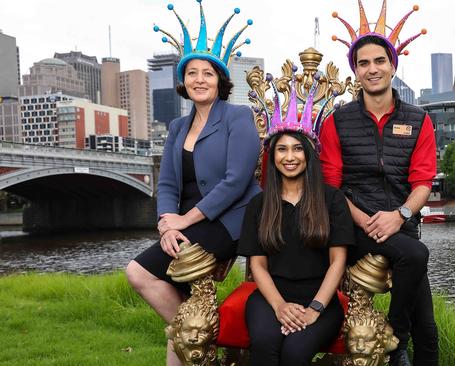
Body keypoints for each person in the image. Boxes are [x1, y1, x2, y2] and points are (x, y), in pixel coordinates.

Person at [125, 4, 259, 365]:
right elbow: (167, 182)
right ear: (183, 81)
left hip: (229, 220)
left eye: (208, 73)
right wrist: (166, 222)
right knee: (155, 280)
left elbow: (236, 181)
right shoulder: (176, 128)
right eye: (192, 73)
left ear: (220, 80)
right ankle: (195, 336)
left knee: (155, 269)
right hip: (186, 223)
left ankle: (201, 337)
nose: (200, 79)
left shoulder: (238, 117)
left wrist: (184, 222)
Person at [323, 4, 437, 365]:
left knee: (429, 331)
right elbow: (330, 186)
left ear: (392, 65)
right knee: (416, 255)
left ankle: (400, 336)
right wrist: (364, 220)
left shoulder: (418, 120)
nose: (372, 69)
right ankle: (397, 338)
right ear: (355, 70)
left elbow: (422, 182)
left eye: (379, 61)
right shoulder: (336, 122)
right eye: (363, 63)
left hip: (401, 225)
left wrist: (399, 214)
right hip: (353, 225)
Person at [238, 75, 355, 366]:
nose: (289, 157)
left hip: (321, 299)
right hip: (269, 297)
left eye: (297, 148)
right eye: (282, 149)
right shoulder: (259, 205)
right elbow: (257, 265)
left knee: (294, 351)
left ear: (309, 154)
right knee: (265, 344)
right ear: (273, 155)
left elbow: (338, 262)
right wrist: (279, 306)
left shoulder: (332, 200)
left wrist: (315, 308)